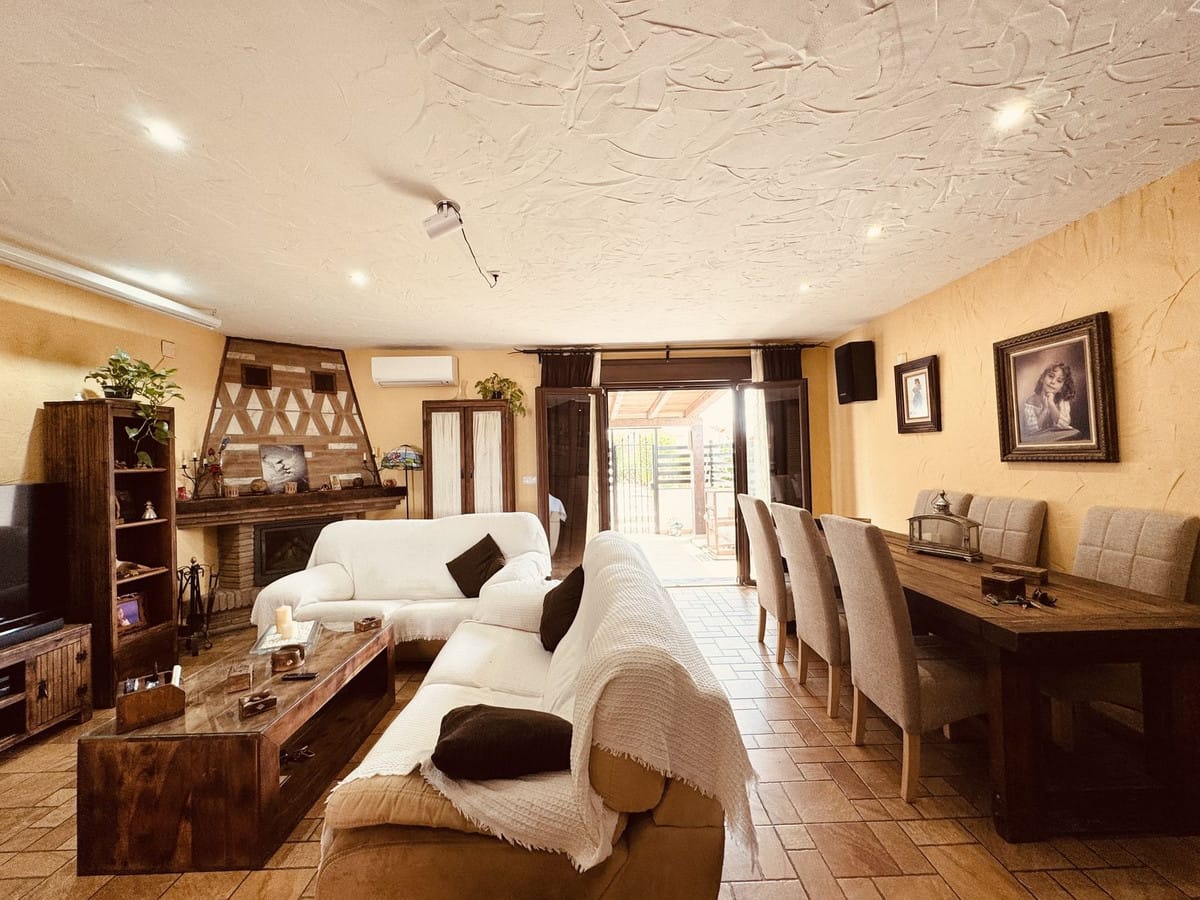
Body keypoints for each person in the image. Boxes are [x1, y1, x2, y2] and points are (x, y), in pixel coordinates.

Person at [1022, 362, 1075, 435]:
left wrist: (1051, 403)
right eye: (1050, 376)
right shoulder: (1031, 401)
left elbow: (1064, 425)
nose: (1053, 382)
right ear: (1042, 378)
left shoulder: (1062, 401)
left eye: (1059, 381)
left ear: (1062, 388)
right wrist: (1045, 409)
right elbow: (1032, 430)